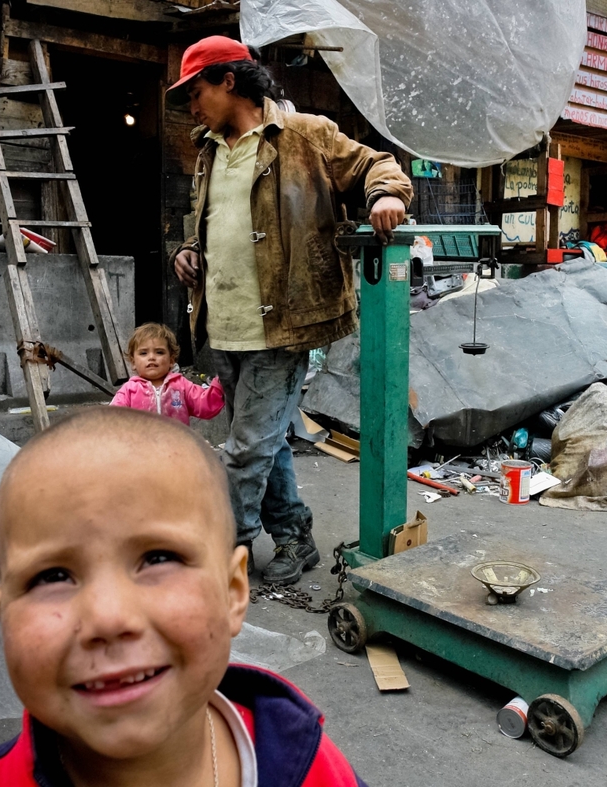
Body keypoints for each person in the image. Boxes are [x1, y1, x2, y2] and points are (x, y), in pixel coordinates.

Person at [0, 408, 368, 787]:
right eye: (51, 576)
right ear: (4, 617)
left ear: (233, 592)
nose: (108, 618)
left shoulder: (308, 766)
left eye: (157, 559)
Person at [169, 36, 413, 584]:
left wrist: (384, 197)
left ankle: (216, 553)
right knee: (269, 440)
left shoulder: (306, 135)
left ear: (228, 80)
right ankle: (295, 538)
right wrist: (187, 250)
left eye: (196, 90)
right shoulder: (208, 150)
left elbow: (378, 165)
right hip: (222, 322)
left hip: (284, 323)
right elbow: (204, 220)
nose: (191, 105)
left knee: (246, 449)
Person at [110, 323, 224, 426]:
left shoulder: (181, 386)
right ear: (133, 362)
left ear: (171, 360)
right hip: (141, 447)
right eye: (143, 353)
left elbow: (204, 405)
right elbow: (112, 418)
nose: (151, 357)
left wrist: (221, 384)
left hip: (176, 446)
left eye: (159, 352)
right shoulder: (129, 390)